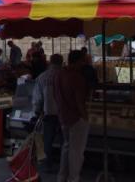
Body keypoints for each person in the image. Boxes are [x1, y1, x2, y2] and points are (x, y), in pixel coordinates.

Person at [53, 50, 89, 182]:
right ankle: (73, 178)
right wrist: (85, 117)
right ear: (78, 61)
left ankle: (61, 177)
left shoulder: (59, 74)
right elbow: (79, 101)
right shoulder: (77, 78)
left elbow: (55, 96)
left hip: (63, 116)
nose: (84, 63)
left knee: (67, 147)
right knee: (76, 152)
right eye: (83, 60)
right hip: (76, 118)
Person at [32, 53, 63, 173]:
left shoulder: (42, 77)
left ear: (50, 62)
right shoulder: (64, 75)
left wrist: (37, 111)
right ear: (61, 62)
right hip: (63, 113)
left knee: (47, 140)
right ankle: (64, 165)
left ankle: (47, 165)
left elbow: (37, 98)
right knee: (65, 141)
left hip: (48, 112)